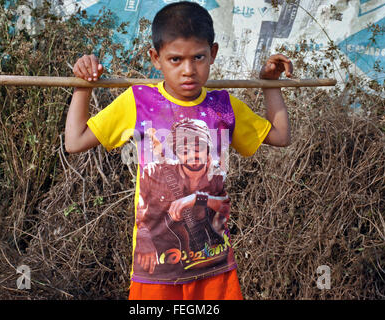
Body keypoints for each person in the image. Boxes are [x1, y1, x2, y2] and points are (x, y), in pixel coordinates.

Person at [65, 1, 293, 300]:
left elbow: (280, 136)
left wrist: (270, 85)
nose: (188, 70)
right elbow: (75, 141)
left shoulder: (223, 106)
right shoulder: (138, 101)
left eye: (198, 57)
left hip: (213, 263)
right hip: (156, 264)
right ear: (155, 58)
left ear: (213, 53)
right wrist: (84, 86)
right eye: (175, 59)